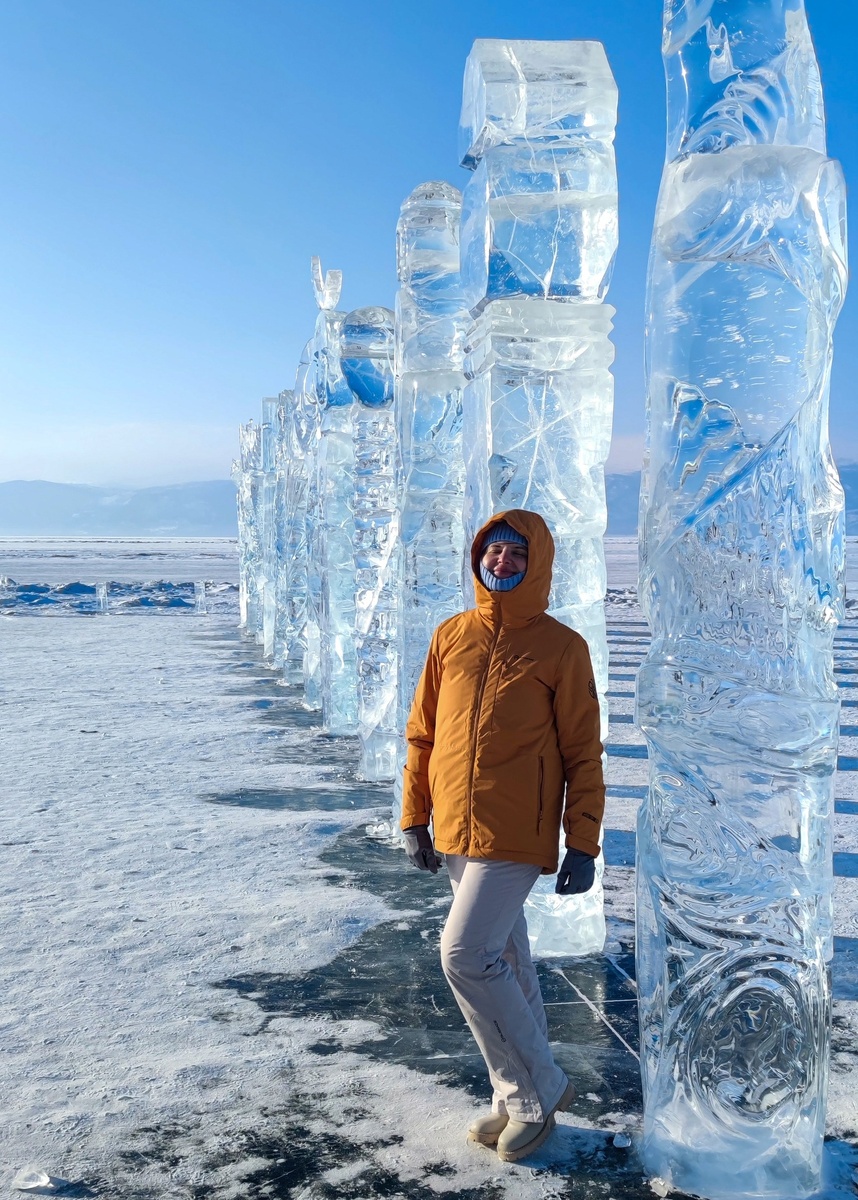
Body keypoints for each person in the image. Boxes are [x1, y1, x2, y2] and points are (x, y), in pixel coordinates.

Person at [400, 509, 605, 1163]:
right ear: (478, 560)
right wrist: (413, 815)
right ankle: (512, 1094)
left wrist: (584, 841)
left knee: (464, 955)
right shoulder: (451, 636)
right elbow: (423, 734)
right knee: (508, 962)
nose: (502, 563)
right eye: (493, 552)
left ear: (536, 562)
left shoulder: (560, 646)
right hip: (456, 825)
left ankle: (536, 1090)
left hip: (518, 829)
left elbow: (583, 752)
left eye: (517, 553)